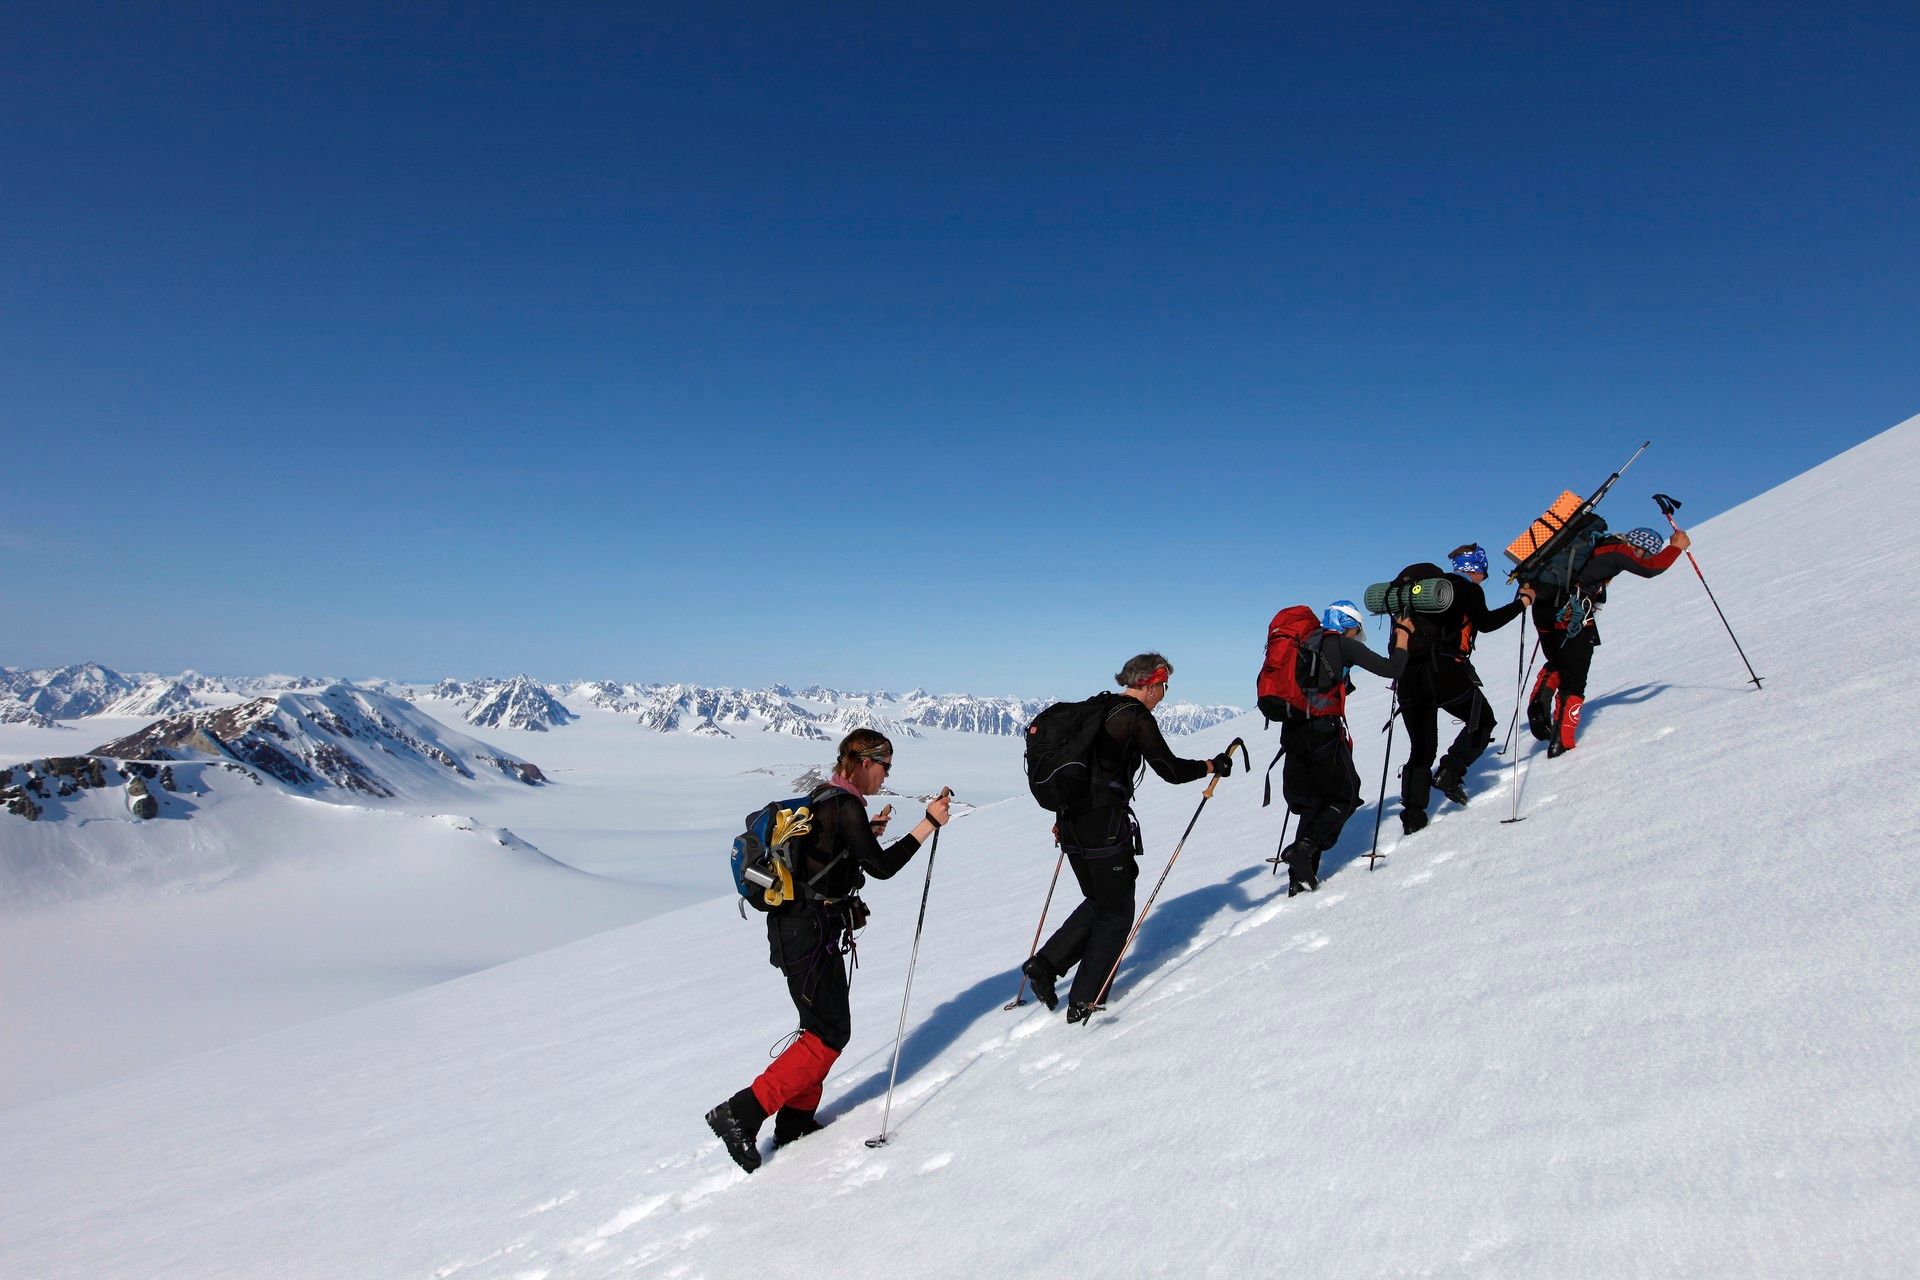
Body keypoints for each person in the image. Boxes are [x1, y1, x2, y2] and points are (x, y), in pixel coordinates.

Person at [705, 728, 953, 1173]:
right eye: (885, 767)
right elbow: (881, 868)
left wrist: (864, 835)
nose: (886, 776)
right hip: (808, 933)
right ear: (863, 764)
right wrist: (927, 824)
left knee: (822, 1026)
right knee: (827, 1033)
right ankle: (740, 1113)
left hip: (801, 930)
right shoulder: (845, 806)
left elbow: (825, 857)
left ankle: (795, 1121)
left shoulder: (827, 797)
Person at [1020, 654, 1234, 1024]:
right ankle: (1086, 997)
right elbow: (1169, 769)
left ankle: (1046, 964)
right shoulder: (1133, 717)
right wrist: (1212, 766)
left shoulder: (1098, 707)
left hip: (1072, 824)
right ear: (1151, 683)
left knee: (1104, 899)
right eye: (1163, 688)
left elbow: (1080, 771)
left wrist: (1061, 818)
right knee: (1117, 912)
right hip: (1103, 824)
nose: (1163, 696)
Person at [1393, 545, 1535, 834]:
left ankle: (1413, 816)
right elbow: (1488, 622)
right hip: (1445, 672)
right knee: (1482, 719)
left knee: (1421, 748)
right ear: (1476, 568)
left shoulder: (1425, 592)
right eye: (1484, 569)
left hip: (1408, 676)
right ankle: (1451, 770)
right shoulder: (1467, 589)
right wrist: (1522, 602)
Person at [1276, 601, 1413, 896]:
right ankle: (1304, 849)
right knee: (1345, 796)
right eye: (1356, 630)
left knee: (1314, 801)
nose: (1356, 636)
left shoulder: (1303, 642)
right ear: (1348, 626)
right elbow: (1392, 668)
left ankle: (1300, 877)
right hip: (1323, 731)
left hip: (1292, 732)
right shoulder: (1340, 644)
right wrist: (1402, 634)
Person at [1528, 525, 1689, 756]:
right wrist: (1675, 548)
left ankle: (1539, 705)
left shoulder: (1596, 547)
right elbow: (1650, 568)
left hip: (1545, 607)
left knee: (1558, 660)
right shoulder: (1618, 550)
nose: (1642, 557)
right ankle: (1562, 742)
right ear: (1640, 547)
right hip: (1573, 613)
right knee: (1575, 677)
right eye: (1646, 552)